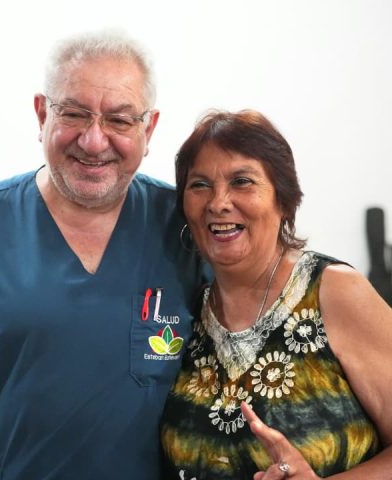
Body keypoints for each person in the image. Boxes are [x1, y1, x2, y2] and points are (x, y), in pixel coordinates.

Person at [0, 31, 208, 480]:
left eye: (119, 120)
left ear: (148, 129)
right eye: (73, 113)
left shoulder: (187, 228)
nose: (93, 141)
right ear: (41, 113)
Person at [160, 109, 392, 479]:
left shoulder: (332, 291)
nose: (218, 202)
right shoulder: (186, 311)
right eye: (199, 185)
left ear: (283, 199)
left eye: (242, 181)